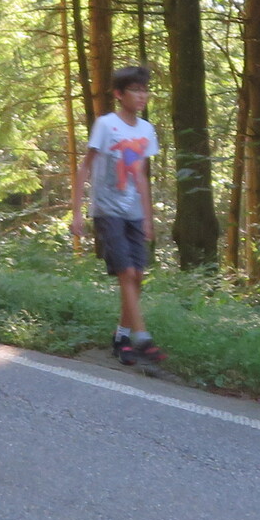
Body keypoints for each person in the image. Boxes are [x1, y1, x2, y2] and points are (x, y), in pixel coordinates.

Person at [69, 65, 163, 368]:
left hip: (134, 211)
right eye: (135, 90)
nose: (142, 96)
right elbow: (85, 166)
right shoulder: (106, 125)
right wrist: (77, 213)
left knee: (138, 276)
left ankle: (121, 337)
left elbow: (141, 175)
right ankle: (142, 337)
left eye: (145, 90)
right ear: (119, 94)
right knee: (126, 272)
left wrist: (148, 217)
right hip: (107, 209)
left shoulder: (146, 130)